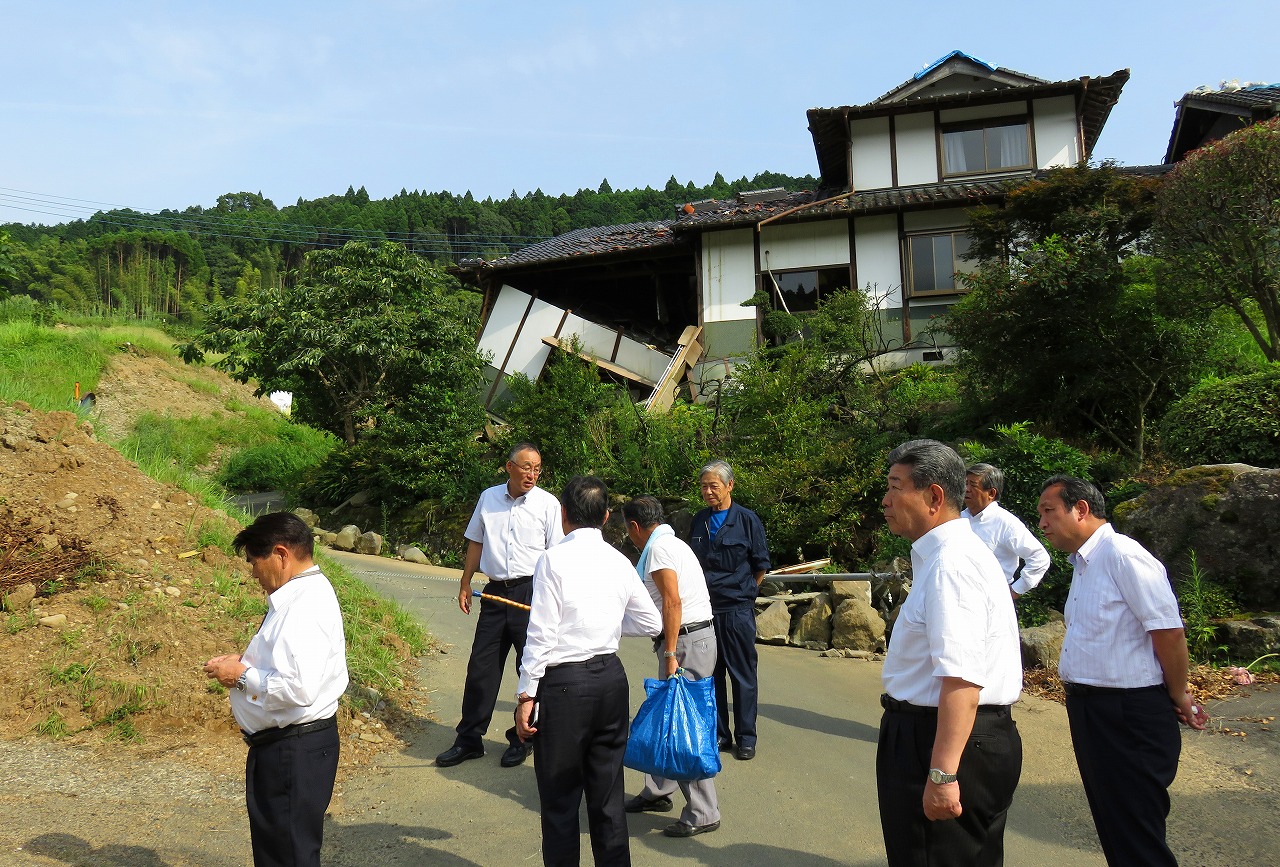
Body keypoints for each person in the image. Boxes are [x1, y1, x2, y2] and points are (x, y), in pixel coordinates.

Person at [1037, 475, 1209, 866]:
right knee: (1114, 826)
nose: (1043, 524)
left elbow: (1168, 632)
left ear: (1081, 509)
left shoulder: (1123, 556)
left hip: (1127, 713)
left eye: (1049, 511)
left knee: (1136, 834)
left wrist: (1178, 692)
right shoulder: (1084, 564)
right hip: (1091, 709)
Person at [877, 440, 1023, 867]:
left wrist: (942, 774)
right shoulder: (947, 555)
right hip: (959, 736)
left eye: (895, 487)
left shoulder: (952, 564)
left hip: (945, 739)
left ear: (934, 497)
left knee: (934, 856)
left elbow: (961, 678)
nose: (885, 501)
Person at [514, 476, 662, 866]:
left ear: (563, 515)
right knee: (608, 796)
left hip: (565, 686)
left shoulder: (552, 560)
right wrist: (608, 623)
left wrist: (526, 693)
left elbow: (542, 632)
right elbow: (651, 621)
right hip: (611, 680)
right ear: (607, 516)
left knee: (561, 799)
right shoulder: (619, 560)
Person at [203, 512, 348, 867]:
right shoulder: (303, 594)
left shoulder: (303, 606)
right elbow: (290, 664)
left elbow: (299, 688)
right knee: (283, 852)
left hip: (291, 750)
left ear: (281, 554)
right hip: (290, 748)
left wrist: (239, 676)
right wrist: (246, 662)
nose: (253, 573)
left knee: (288, 856)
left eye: (255, 562)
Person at [437, 442, 563, 769]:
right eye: (526, 467)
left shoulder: (548, 504)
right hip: (494, 594)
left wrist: (554, 601)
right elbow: (476, 540)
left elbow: (557, 555)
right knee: (482, 667)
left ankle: (523, 738)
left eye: (537, 468)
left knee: (532, 668)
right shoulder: (489, 498)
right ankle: (469, 739)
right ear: (510, 467)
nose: (532, 474)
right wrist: (465, 582)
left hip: (532, 593)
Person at [621, 496, 721, 838]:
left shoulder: (660, 549)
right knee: (669, 715)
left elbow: (672, 600)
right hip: (692, 639)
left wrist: (671, 652)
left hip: (686, 643)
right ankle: (659, 789)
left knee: (683, 725)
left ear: (635, 527)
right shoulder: (670, 543)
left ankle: (703, 811)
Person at [689, 460, 770, 761]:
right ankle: (721, 734)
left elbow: (760, 564)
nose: (708, 491)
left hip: (737, 609)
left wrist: (747, 593)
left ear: (730, 486)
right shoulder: (700, 521)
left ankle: (746, 737)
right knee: (712, 675)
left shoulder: (747, 520)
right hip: (706, 611)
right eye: (704, 486)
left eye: (714, 486)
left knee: (743, 675)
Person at [962, 462, 1051, 598]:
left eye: (973, 485)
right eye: (966, 483)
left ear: (991, 493)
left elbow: (1039, 557)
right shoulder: (958, 518)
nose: (966, 489)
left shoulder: (1005, 523)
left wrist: (1015, 590)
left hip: (991, 601)